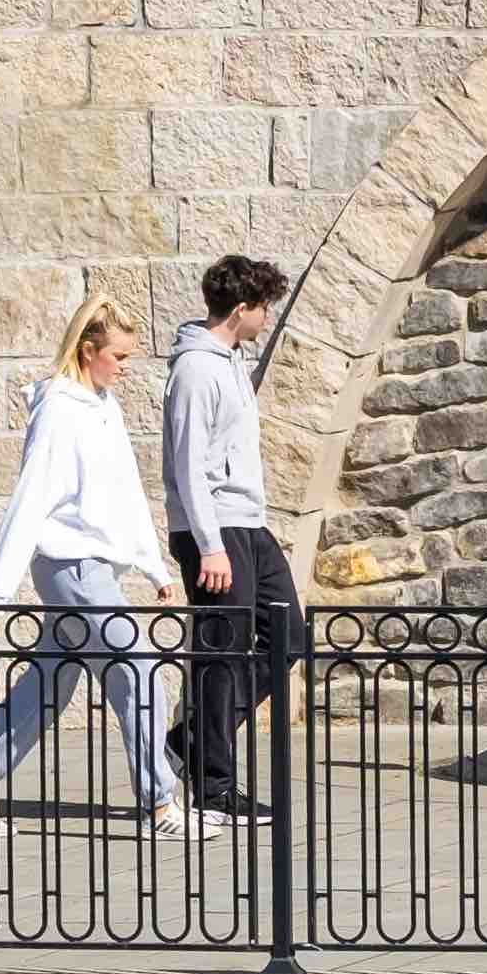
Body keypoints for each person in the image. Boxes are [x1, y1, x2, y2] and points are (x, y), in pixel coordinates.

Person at [0, 296, 200, 836]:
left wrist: (153, 567)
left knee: (48, 684)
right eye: (118, 356)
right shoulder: (61, 408)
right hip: (71, 567)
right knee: (136, 670)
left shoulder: (102, 404)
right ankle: (161, 806)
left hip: (94, 568)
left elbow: (125, 495)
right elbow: (33, 493)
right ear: (88, 351)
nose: (125, 367)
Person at [161, 252, 299, 819]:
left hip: (248, 524)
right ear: (240, 309)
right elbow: (188, 464)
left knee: (286, 633)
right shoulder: (196, 369)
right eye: (263, 307)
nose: (266, 318)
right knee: (222, 652)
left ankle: (191, 740)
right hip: (214, 531)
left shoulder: (231, 360)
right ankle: (214, 788)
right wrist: (210, 545)